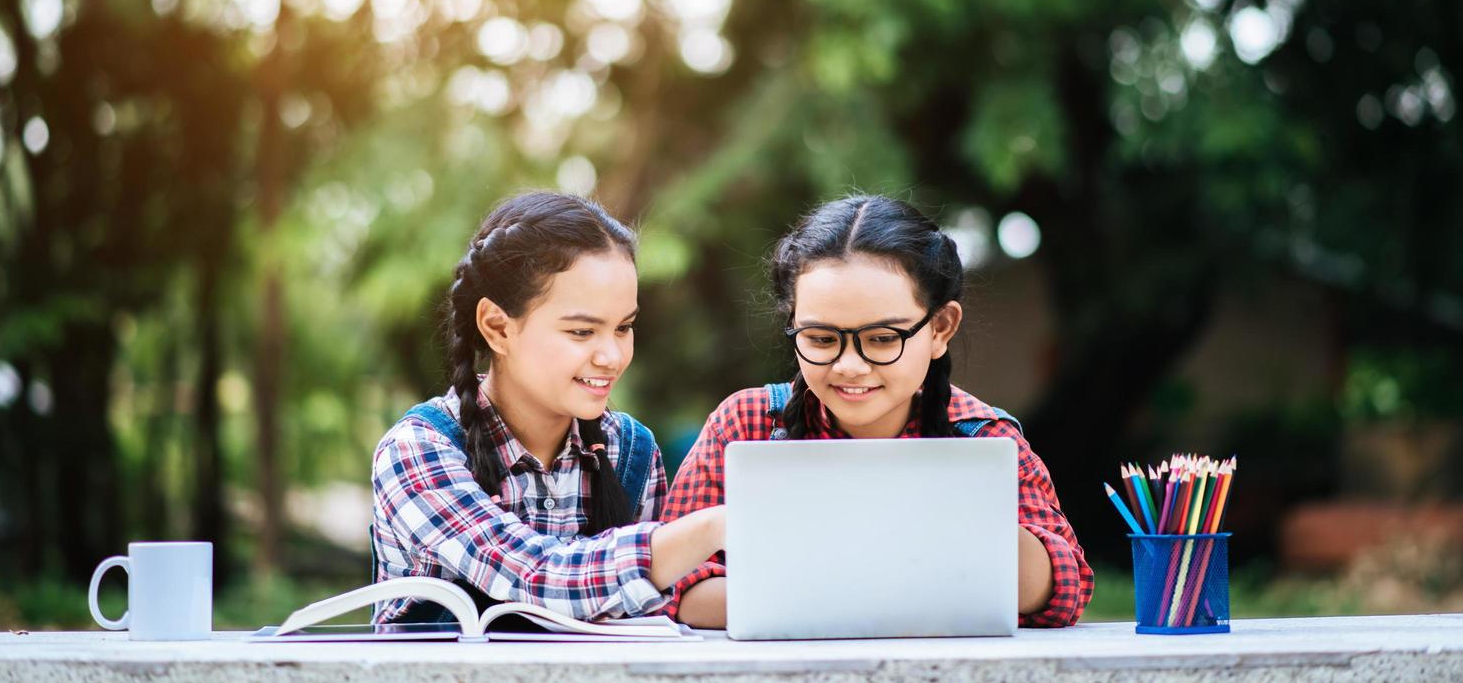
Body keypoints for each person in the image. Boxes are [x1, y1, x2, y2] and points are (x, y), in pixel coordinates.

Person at [662, 194, 1094, 628]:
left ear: (941, 328)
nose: (850, 366)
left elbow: (1064, 591)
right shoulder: (745, 425)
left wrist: (966, 510)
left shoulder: (982, 437)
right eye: (821, 338)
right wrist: (874, 594)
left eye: (883, 338)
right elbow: (673, 587)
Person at [370, 191, 724, 623]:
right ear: (498, 328)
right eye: (581, 332)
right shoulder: (418, 450)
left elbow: (653, 614)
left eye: (624, 327)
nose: (611, 356)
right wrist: (711, 527)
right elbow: (535, 575)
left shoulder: (631, 451)